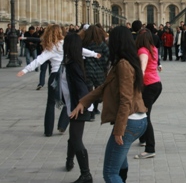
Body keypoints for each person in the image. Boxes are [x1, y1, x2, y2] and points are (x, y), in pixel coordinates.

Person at [71, 26, 147, 183]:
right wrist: (83, 102)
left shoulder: (123, 65)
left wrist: (119, 130)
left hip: (129, 122)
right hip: (137, 120)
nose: (107, 40)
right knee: (119, 163)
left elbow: (126, 99)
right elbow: (104, 87)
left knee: (110, 173)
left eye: (110, 38)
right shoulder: (126, 62)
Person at [17, 24, 100, 137]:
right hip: (66, 75)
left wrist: (26, 70)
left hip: (54, 75)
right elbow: (81, 50)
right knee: (68, 99)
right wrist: (94, 54)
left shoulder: (51, 47)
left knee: (50, 103)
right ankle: (62, 124)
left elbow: (39, 60)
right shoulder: (66, 43)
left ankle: (48, 130)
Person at [61, 34, 93, 183]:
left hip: (79, 106)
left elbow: (81, 87)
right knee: (73, 136)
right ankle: (69, 161)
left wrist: (80, 105)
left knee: (75, 138)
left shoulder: (73, 64)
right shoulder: (72, 61)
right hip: (74, 105)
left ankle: (86, 175)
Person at [134, 28, 163, 159]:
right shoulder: (153, 49)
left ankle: (150, 148)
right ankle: (143, 139)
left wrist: (137, 85)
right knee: (144, 113)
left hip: (149, 86)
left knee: (145, 116)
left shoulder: (143, 51)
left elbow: (143, 67)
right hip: (156, 84)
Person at [80, 25, 110, 120]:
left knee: (89, 92)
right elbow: (108, 55)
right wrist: (103, 64)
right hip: (99, 71)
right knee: (97, 92)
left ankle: (91, 112)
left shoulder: (84, 44)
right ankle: (96, 108)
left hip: (88, 70)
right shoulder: (101, 44)